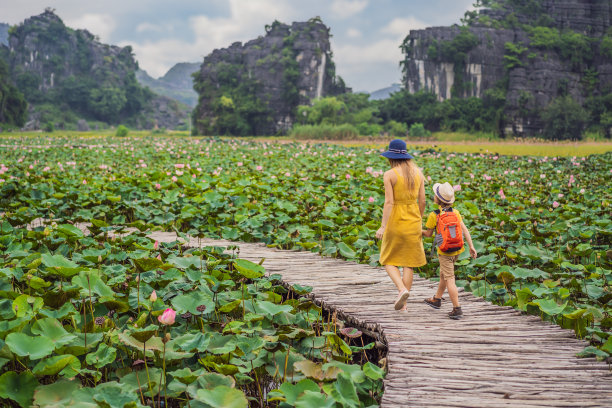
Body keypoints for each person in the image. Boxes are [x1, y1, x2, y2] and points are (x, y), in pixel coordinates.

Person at [376, 139, 427, 311]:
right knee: (408, 263)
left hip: (396, 221)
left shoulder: (389, 174)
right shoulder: (418, 173)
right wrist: (417, 219)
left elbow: (389, 202)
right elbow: (423, 201)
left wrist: (383, 226)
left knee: (388, 259)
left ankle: (401, 289)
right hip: (413, 220)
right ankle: (404, 306)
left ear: (391, 157)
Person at [422, 182, 477, 319]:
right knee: (444, 275)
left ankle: (457, 308)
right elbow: (464, 230)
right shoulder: (456, 213)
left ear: (437, 199)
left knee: (450, 279)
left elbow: (428, 234)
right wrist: (471, 246)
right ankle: (437, 299)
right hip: (457, 250)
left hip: (445, 252)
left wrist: (417, 230)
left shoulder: (434, 215)